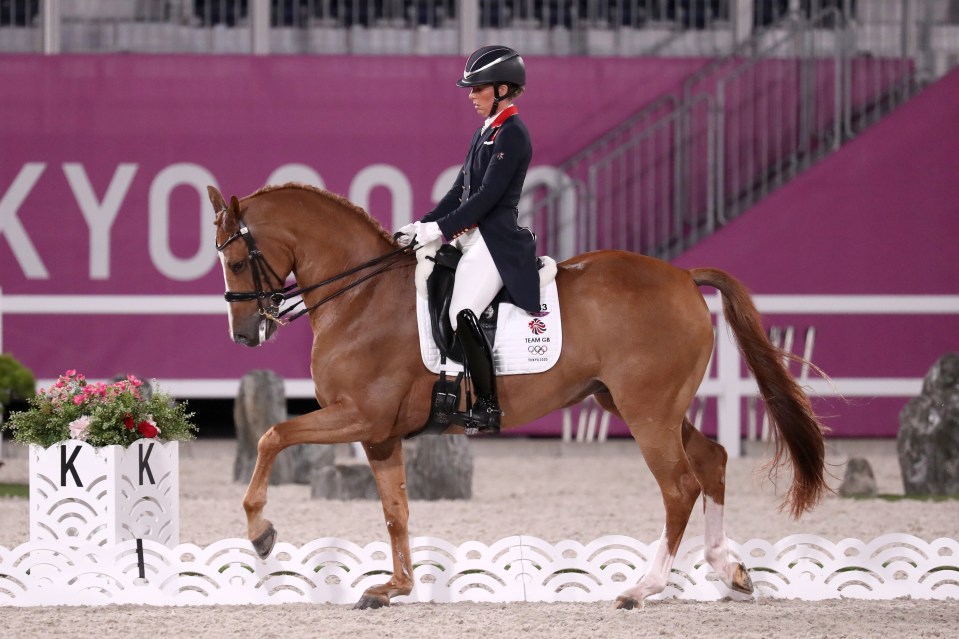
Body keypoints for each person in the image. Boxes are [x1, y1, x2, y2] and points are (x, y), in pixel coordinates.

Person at [397, 45, 539, 435]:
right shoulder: (485, 132)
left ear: (504, 89)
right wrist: (421, 225)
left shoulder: (513, 134)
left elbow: (486, 199)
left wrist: (439, 231)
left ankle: (488, 405)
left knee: (463, 312)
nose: (472, 96)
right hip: (472, 239)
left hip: (495, 241)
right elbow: (459, 191)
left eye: (478, 88)